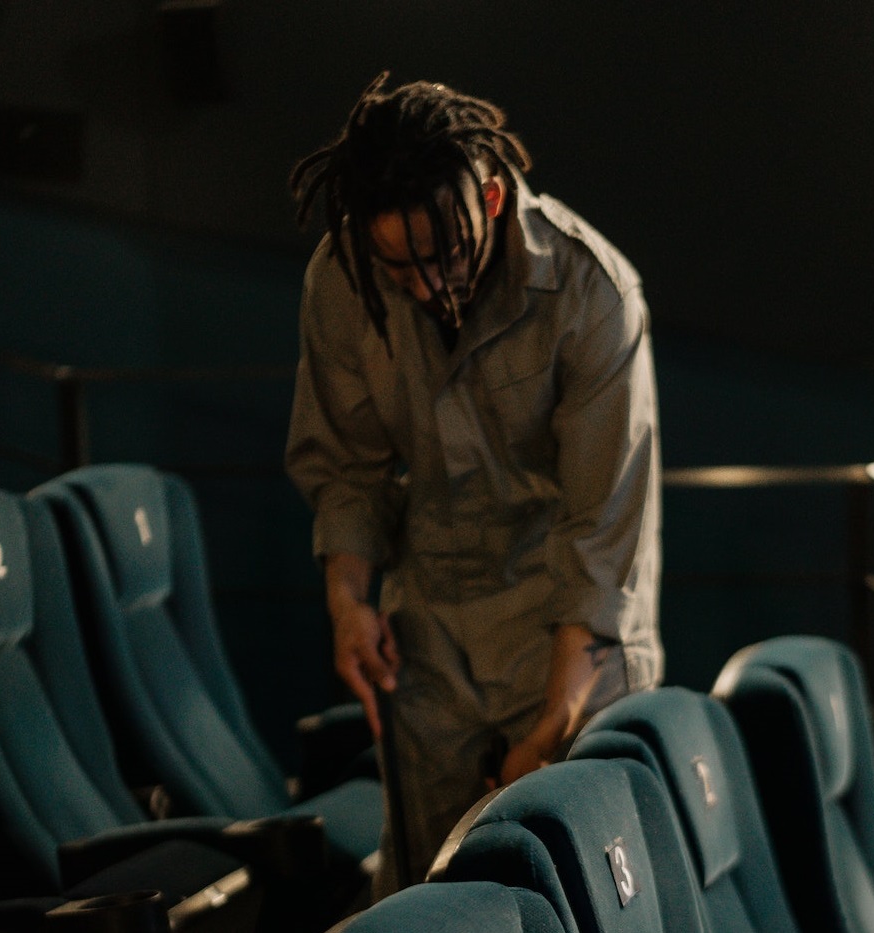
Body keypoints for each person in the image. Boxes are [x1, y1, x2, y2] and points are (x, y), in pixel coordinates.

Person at [284, 73, 663, 897]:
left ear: (490, 199)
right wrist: (347, 601)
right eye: (400, 267)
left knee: (579, 895)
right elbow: (346, 466)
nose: (429, 285)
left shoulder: (592, 292)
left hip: (569, 643)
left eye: (445, 254)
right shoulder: (343, 280)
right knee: (433, 901)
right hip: (433, 642)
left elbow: (603, 536)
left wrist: (553, 721)